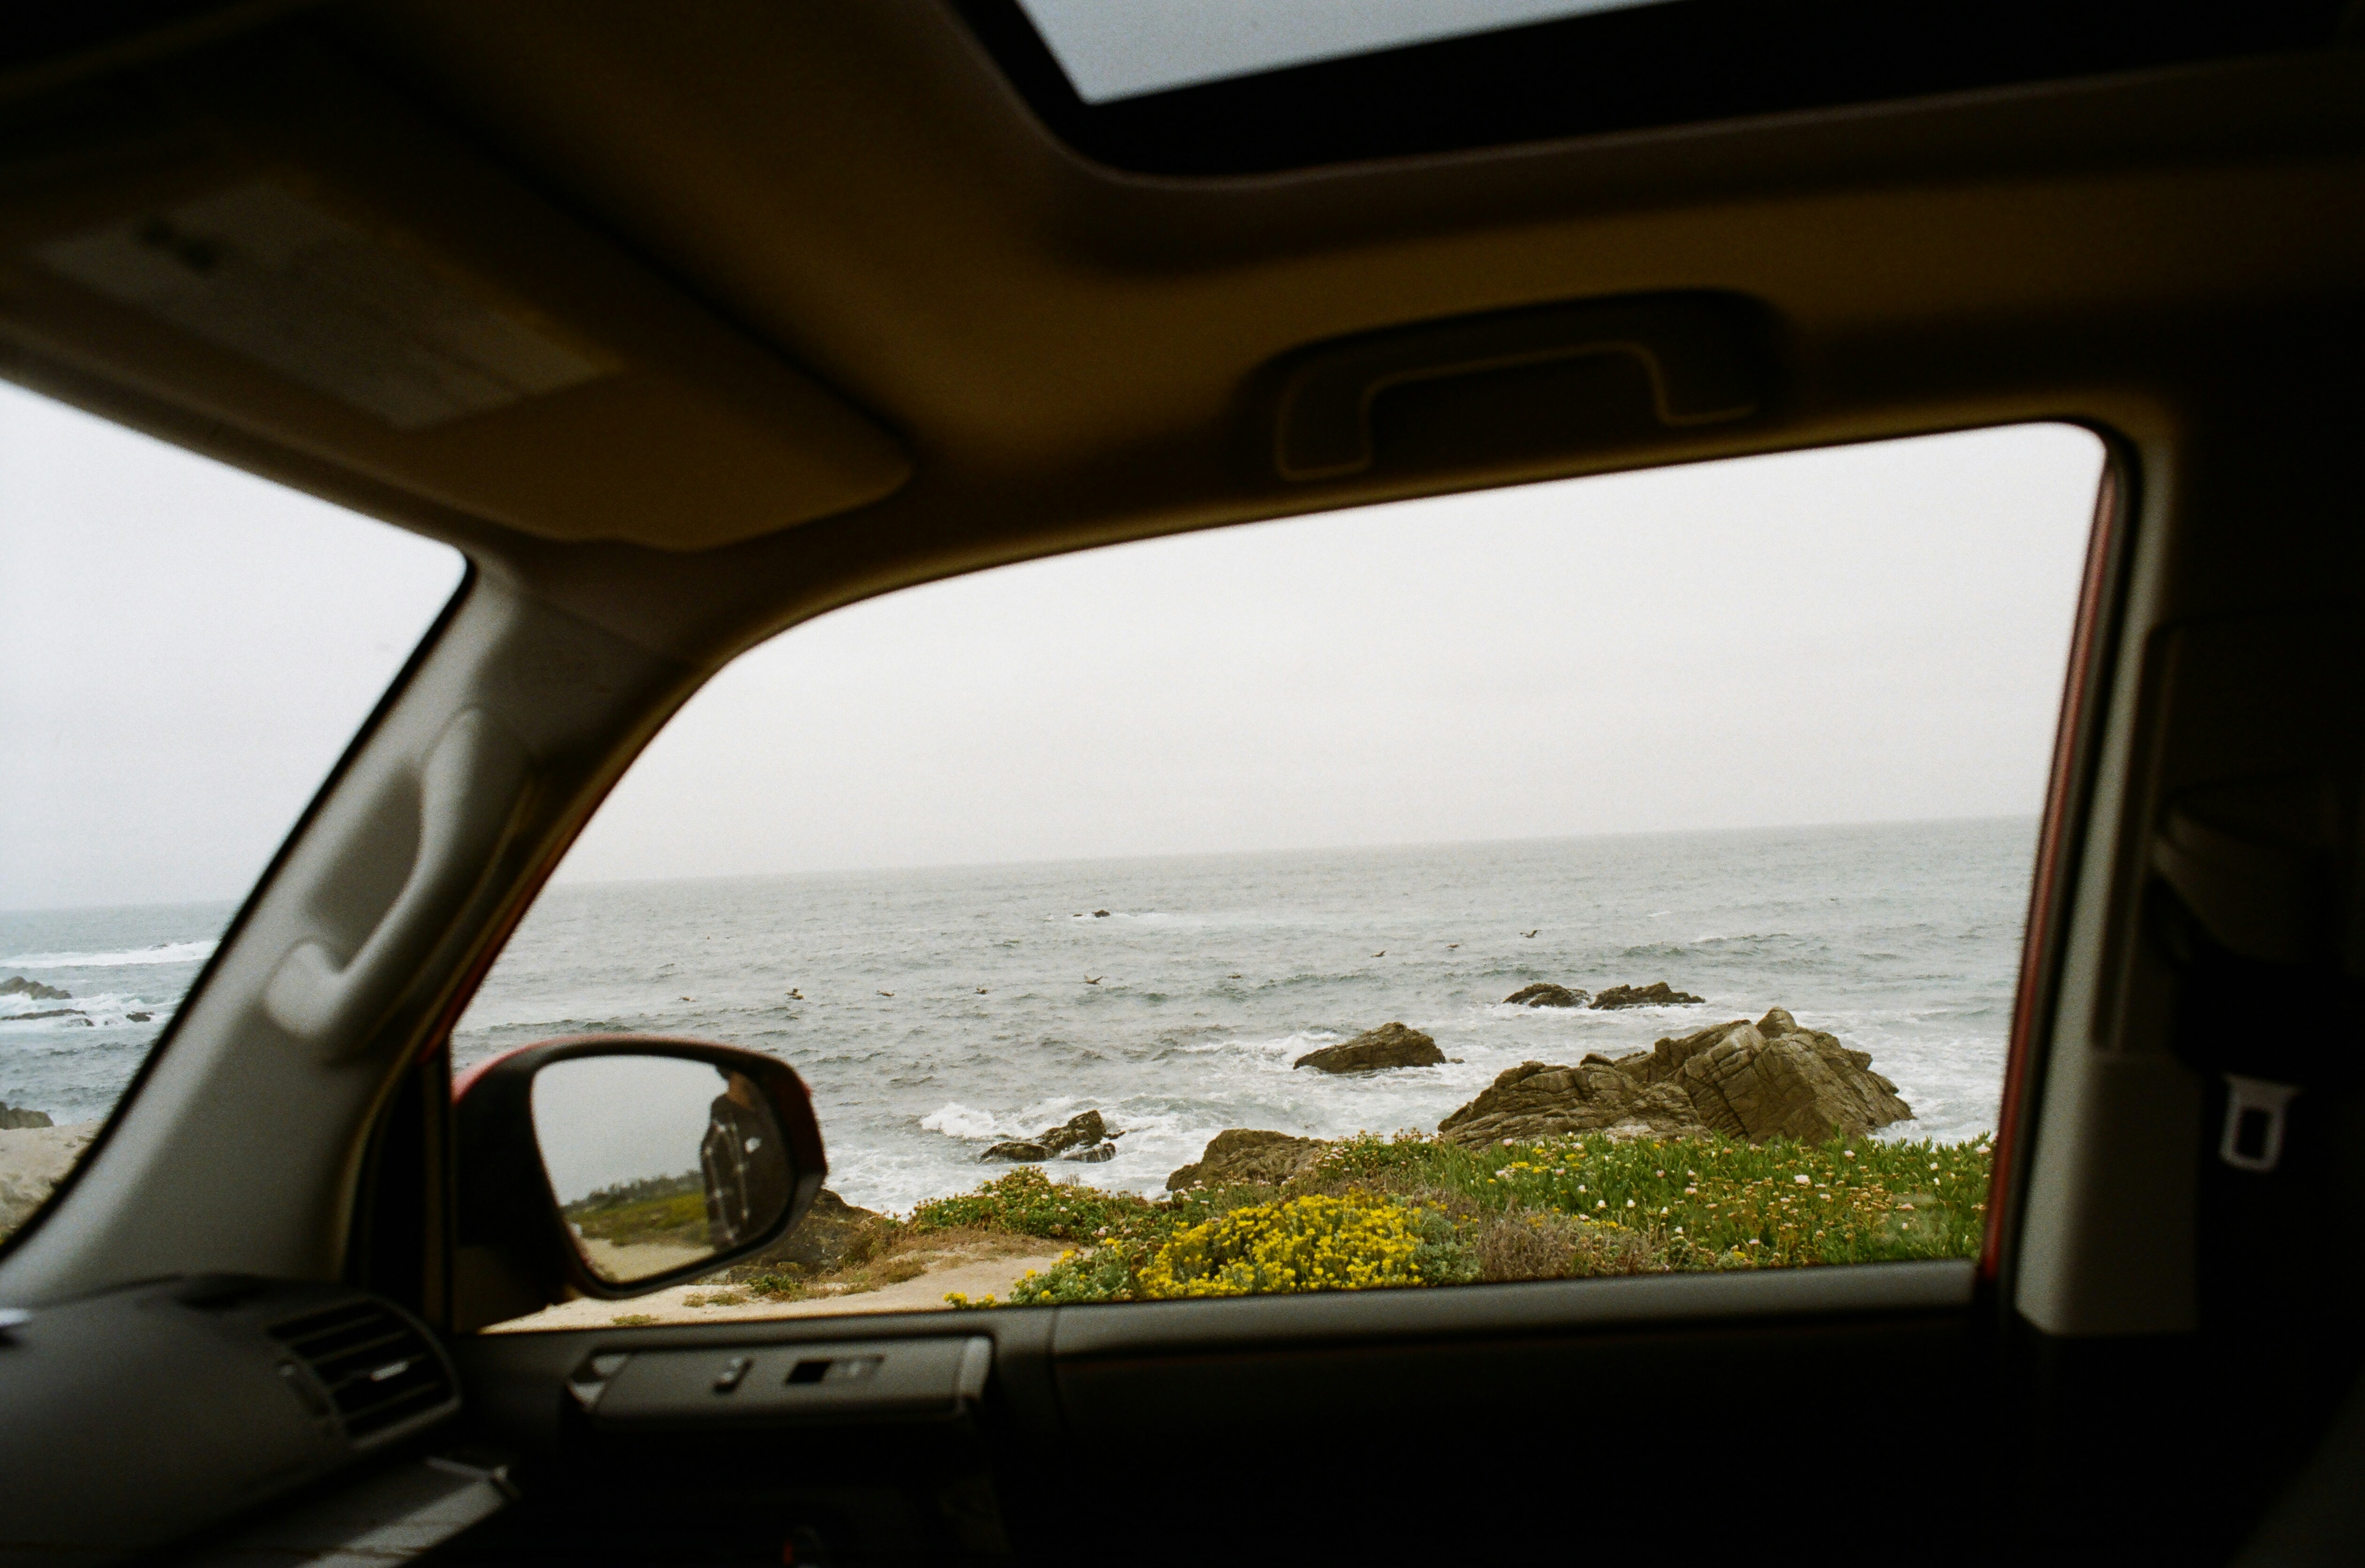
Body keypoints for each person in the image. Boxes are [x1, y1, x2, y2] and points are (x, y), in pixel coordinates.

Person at [700, 1070, 788, 1251]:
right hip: (765, 1250)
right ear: (733, 1074)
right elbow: (725, 1231)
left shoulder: (774, 1115)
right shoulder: (719, 1139)